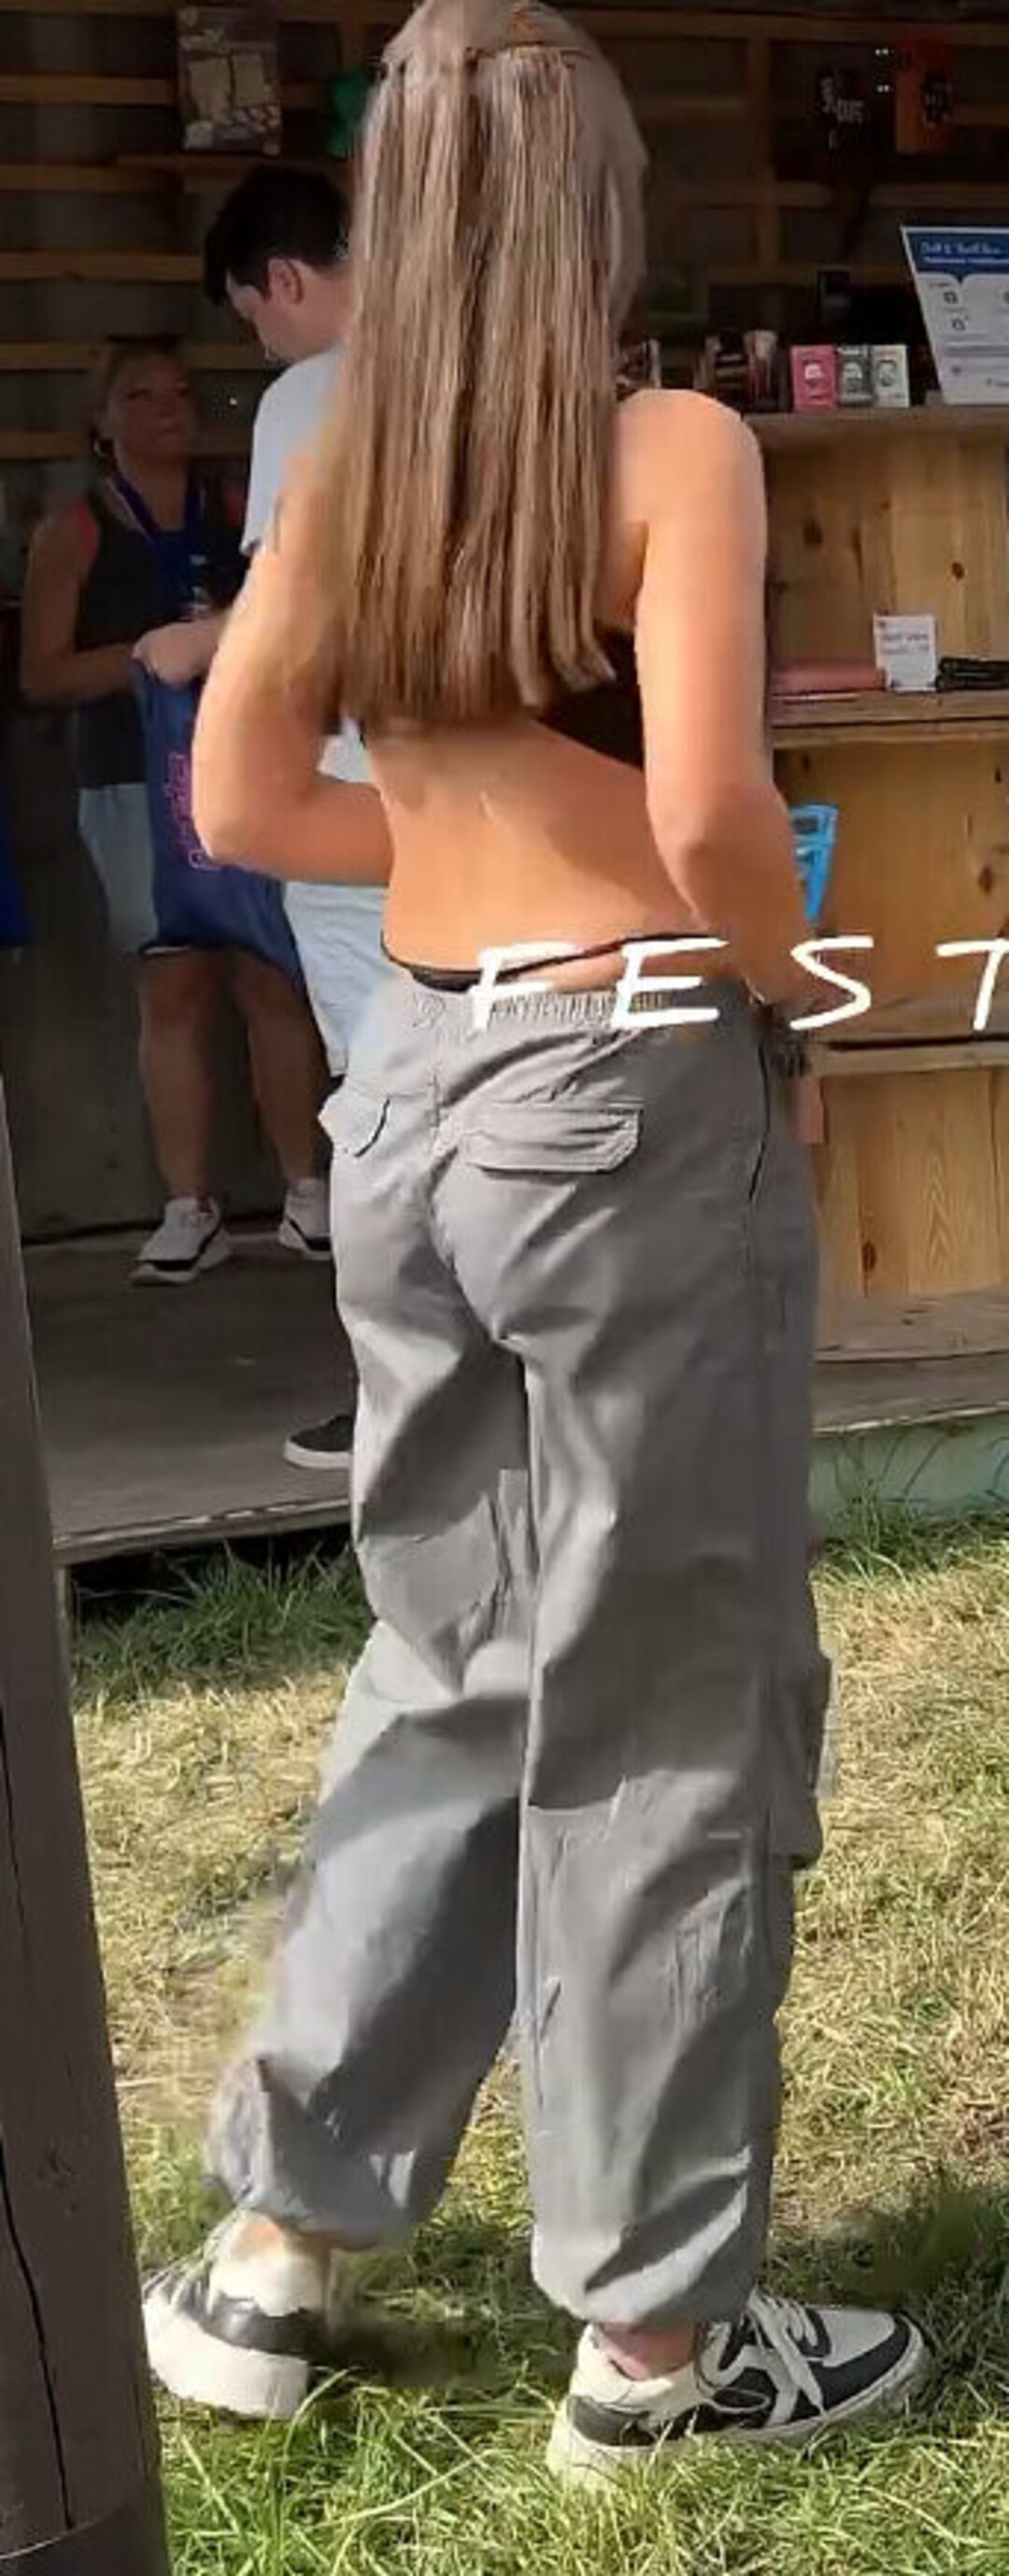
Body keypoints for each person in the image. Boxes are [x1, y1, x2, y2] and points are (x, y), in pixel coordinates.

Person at [144, 0, 929, 2477]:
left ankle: (275, 2252)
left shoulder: (343, 465)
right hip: (624, 1091)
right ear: (601, 204)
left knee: (455, 1660)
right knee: (665, 1705)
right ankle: (664, 2346)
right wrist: (791, 991)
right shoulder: (673, 447)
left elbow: (242, 801)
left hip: (418, 1087)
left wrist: (474, 841)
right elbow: (709, 809)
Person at [138, 171, 390, 1455]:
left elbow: (300, 614)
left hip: (355, 795)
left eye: (252, 317)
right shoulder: (480, 368)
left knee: (385, 1102)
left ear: (284, 282)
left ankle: (407, 1398)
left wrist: (201, 648)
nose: (262, 346)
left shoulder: (313, 394)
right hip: (508, 791)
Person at [21, 336, 329, 1285]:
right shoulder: (76, 530)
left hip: (247, 766)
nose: (170, 411)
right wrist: (161, 655)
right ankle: (189, 1206)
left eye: (184, 394)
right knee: (173, 987)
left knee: (273, 977)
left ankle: (308, 1193)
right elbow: (42, 674)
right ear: (102, 421)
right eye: (144, 396)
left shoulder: (235, 507)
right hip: (131, 776)